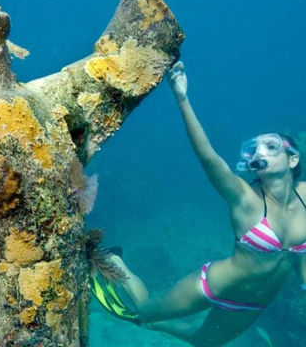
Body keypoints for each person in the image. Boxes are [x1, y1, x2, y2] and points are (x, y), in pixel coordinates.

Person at [93, 61, 306, 346]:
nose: (260, 151)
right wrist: (182, 98)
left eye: (271, 146)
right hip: (213, 284)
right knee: (145, 310)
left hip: (254, 302)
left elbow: (298, 254)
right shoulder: (244, 197)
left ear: (293, 160)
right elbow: (208, 157)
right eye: (255, 148)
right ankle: (116, 262)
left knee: (205, 343)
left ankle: (158, 327)